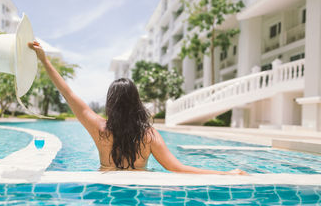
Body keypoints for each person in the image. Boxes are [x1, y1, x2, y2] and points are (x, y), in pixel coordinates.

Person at [28, 41, 247, 175]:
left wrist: (44, 61)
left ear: (110, 103)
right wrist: (226, 173)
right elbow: (177, 169)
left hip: (106, 191)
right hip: (139, 195)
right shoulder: (149, 135)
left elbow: (68, 93)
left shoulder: (100, 129)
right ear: (136, 102)